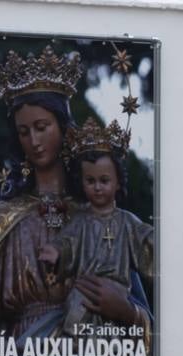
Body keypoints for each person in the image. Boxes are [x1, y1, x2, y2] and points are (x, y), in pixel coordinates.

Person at [0, 45, 152, 356]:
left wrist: (126, 312)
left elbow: (139, 313)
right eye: (24, 131)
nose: (34, 141)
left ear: (62, 125)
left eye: (42, 127)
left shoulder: (104, 217)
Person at [38, 118, 154, 339]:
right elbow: (67, 242)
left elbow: (145, 240)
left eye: (104, 180)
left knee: (112, 333)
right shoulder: (80, 220)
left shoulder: (127, 222)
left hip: (117, 289)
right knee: (75, 314)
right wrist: (56, 252)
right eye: (90, 181)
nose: (97, 187)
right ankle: (74, 346)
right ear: (82, 183)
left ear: (118, 182)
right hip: (84, 286)